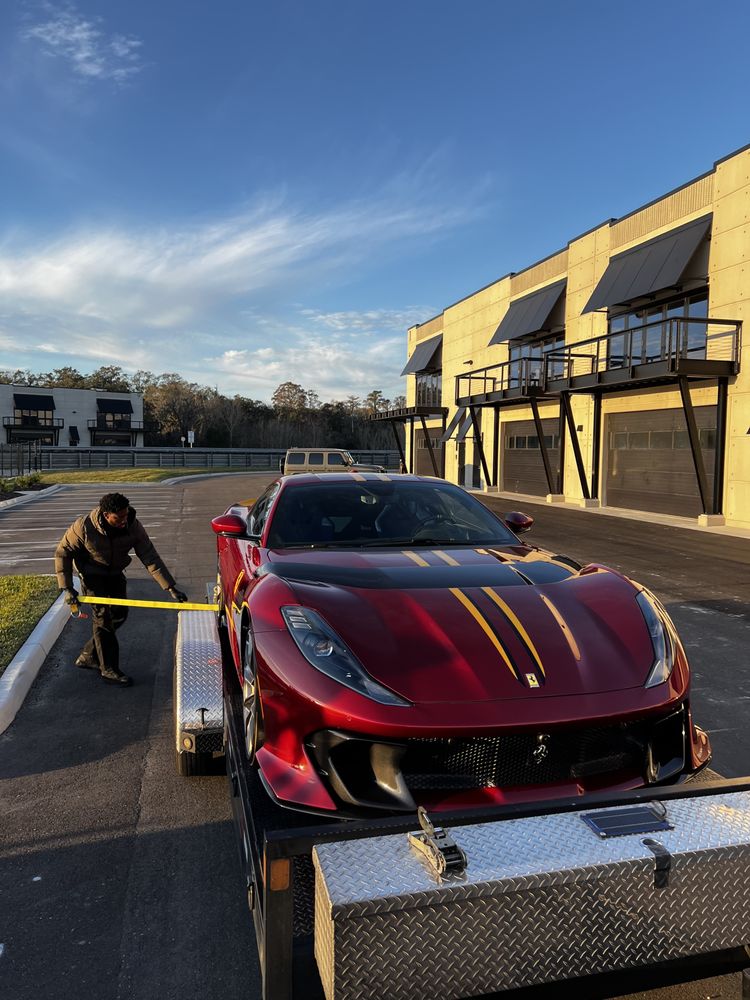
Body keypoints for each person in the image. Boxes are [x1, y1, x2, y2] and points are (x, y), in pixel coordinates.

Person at [55, 492, 187, 687]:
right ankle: (109, 669)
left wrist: (170, 587)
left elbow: (149, 555)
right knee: (103, 619)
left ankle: (88, 655)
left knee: (119, 614)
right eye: (119, 517)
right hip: (92, 575)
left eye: (126, 515)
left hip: (115, 573)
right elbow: (62, 553)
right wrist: (67, 587)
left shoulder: (132, 525)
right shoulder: (84, 527)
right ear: (106, 515)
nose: (124, 520)